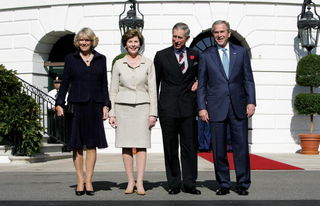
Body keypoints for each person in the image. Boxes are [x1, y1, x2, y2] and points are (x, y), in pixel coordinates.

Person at [197, 20, 256, 196]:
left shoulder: (241, 52)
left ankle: (243, 183)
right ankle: (223, 183)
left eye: (222, 31)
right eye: (216, 32)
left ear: (229, 33)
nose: (219, 35)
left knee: (241, 147)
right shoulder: (206, 55)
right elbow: (202, 85)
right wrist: (202, 108)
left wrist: (251, 101)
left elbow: (248, 79)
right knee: (219, 148)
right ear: (213, 34)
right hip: (216, 107)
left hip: (239, 106)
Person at [55, 27, 111, 196]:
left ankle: (89, 181)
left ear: (92, 41)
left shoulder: (101, 59)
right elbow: (64, 83)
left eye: (87, 40)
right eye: (81, 40)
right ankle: (80, 180)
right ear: (77, 42)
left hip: (95, 106)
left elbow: (103, 84)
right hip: (76, 106)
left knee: (92, 145)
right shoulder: (70, 59)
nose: (84, 43)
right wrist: (59, 103)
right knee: (77, 145)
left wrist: (106, 105)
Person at [109, 29, 157, 196]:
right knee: (126, 145)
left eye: (136, 42)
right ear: (125, 44)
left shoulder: (149, 63)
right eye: (130, 42)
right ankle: (130, 181)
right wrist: (112, 113)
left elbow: (152, 90)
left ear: (140, 43)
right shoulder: (118, 64)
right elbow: (113, 90)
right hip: (123, 108)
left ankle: (140, 182)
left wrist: (153, 113)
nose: (133, 45)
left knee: (142, 145)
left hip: (143, 108)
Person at [154, 22, 200, 195]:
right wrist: (154, 110)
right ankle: (174, 183)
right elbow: (155, 85)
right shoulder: (161, 56)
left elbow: (203, 76)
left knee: (189, 147)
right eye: (174, 36)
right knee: (170, 147)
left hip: (189, 108)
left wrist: (199, 82)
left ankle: (189, 183)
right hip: (168, 108)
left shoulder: (195, 55)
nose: (176, 40)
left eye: (180, 37)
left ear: (187, 38)